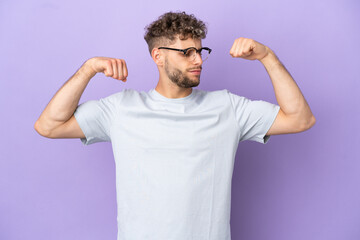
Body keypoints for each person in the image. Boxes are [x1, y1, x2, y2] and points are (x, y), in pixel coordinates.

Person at [34, 11, 315, 240]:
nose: (198, 60)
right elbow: (49, 125)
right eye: (187, 52)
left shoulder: (228, 108)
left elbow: (301, 119)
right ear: (159, 56)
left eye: (200, 50)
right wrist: (88, 69)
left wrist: (268, 57)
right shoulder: (121, 108)